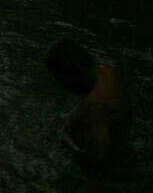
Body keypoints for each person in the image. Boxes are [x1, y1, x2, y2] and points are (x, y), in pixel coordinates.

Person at [46, 38, 130, 169]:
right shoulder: (108, 72)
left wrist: (66, 142)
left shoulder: (93, 108)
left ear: (66, 79)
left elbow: (100, 159)